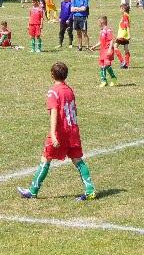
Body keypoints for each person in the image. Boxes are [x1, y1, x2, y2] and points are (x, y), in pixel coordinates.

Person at [17, 62, 96, 201]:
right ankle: (90, 190)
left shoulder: (53, 92)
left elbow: (54, 112)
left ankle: (33, 191)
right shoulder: (69, 90)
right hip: (72, 130)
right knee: (77, 159)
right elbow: (74, 110)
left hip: (61, 131)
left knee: (46, 158)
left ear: (52, 75)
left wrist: (53, 134)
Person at [91, 16, 118, 87]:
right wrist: (95, 46)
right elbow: (101, 41)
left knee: (105, 66)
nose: (97, 24)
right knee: (103, 66)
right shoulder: (102, 31)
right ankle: (107, 80)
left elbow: (111, 40)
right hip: (102, 51)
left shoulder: (108, 30)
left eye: (98, 22)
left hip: (107, 50)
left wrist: (109, 49)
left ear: (101, 22)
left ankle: (109, 79)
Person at [114, 3, 131, 69]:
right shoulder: (127, 15)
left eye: (120, 9)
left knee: (115, 47)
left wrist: (129, 35)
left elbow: (127, 26)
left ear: (123, 9)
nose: (120, 10)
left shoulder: (125, 16)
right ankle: (127, 64)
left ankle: (122, 61)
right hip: (125, 34)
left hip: (122, 35)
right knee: (126, 49)